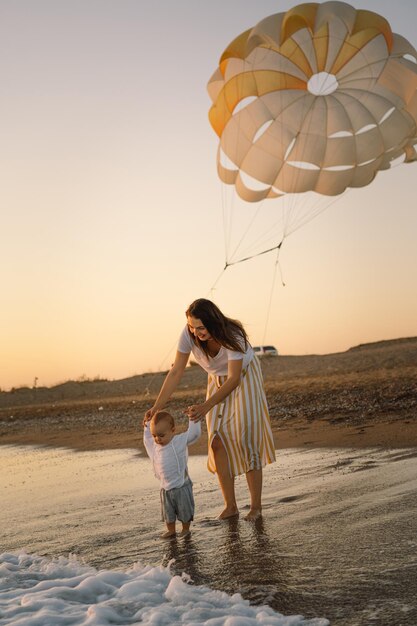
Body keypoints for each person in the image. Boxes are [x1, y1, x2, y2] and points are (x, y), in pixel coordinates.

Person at [145, 298, 276, 521]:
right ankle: (231, 506)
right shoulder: (188, 335)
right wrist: (157, 406)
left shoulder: (233, 335)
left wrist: (206, 406)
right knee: (216, 441)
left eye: (201, 327)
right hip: (216, 380)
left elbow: (234, 379)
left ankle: (256, 507)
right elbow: (176, 371)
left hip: (243, 378)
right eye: (192, 327)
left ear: (213, 322)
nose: (196, 333)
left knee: (246, 439)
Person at [143, 409, 201, 539]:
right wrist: (147, 424)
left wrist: (193, 419)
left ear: (173, 430)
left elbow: (194, 435)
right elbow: (147, 440)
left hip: (182, 485)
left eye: (161, 435)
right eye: (154, 435)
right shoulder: (154, 447)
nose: (157, 439)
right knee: (168, 513)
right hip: (165, 487)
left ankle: (185, 529)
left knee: (185, 511)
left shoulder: (178, 441)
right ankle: (171, 530)